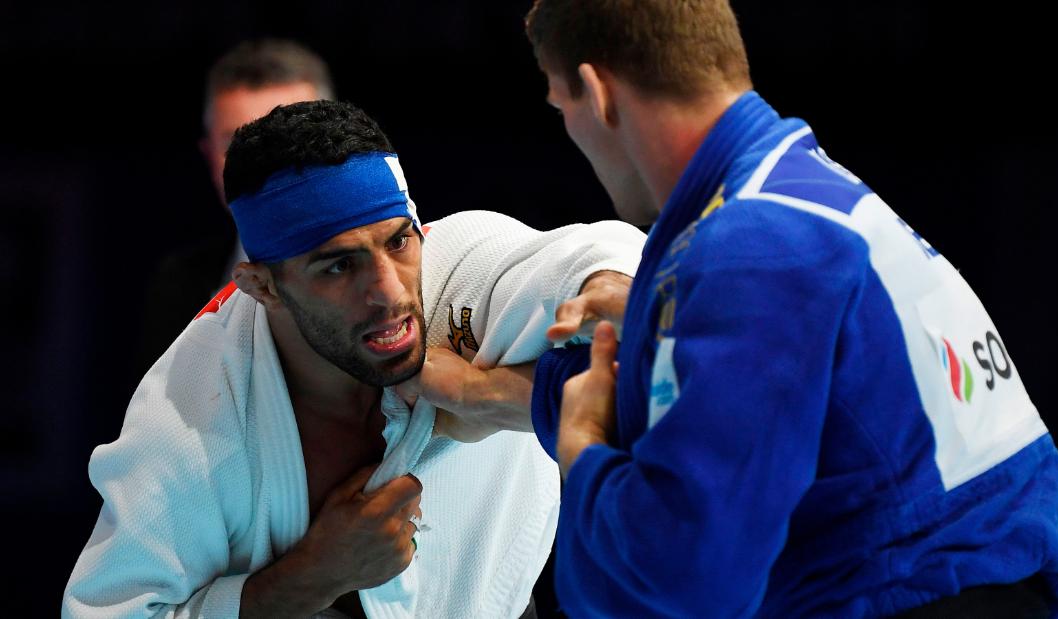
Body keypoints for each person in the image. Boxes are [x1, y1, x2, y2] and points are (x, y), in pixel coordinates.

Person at [410, 1, 1058, 616]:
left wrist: (580, 448)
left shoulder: (751, 251)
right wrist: (630, 340)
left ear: (600, 92)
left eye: (562, 108)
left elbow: (679, 580)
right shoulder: (807, 195)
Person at [63, 100, 645, 618]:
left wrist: (481, 392)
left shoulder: (462, 273)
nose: (389, 291)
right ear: (261, 287)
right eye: (339, 266)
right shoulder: (193, 420)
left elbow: (592, 252)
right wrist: (313, 577)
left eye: (398, 241)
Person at [137, 38, 334, 372]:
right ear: (209, 155)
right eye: (236, 143)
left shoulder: (402, 272)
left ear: (334, 144)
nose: (263, 163)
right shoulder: (177, 287)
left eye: (289, 138)